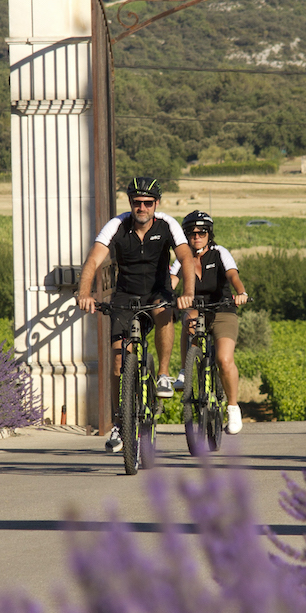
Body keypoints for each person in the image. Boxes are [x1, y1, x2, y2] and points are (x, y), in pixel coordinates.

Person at [76, 176, 198, 452]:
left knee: (162, 310)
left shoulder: (167, 225)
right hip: (125, 296)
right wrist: (84, 293)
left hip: (157, 291)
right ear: (130, 202)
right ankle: (120, 423)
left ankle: (164, 374)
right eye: (136, 202)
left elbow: (186, 258)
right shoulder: (118, 225)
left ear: (156, 204)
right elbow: (93, 259)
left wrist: (187, 291)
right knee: (119, 362)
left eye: (147, 203)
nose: (141, 207)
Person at [172, 210, 248, 435]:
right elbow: (172, 279)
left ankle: (233, 408)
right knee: (189, 320)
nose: (197, 236)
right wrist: (166, 296)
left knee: (224, 359)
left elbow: (233, 275)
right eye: (192, 233)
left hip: (222, 309)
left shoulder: (219, 252)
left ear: (209, 234)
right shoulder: (181, 258)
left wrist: (241, 292)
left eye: (202, 232)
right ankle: (185, 370)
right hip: (197, 310)